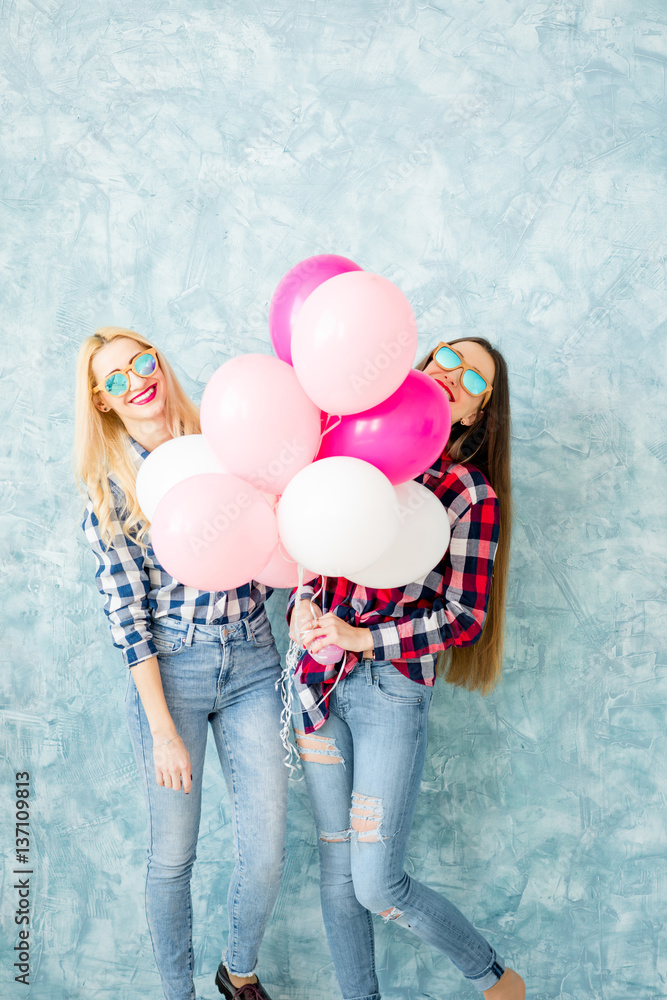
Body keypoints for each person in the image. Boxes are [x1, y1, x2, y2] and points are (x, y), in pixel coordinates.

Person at [288, 338, 525, 1000]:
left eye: (471, 377)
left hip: (391, 694)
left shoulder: (467, 492)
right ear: (416, 373)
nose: (451, 377)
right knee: (337, 870)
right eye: (441, 361)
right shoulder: (351, 449)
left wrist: (362, 640)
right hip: (315, 685)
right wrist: (303, 612)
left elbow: (462, 617)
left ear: (477, 413)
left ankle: (495, 979)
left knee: (374, 882)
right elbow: (306, 548)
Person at [74, 327, 286, 1000]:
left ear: (158, 363)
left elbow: (265, 553)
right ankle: (177, 993)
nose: (136, 377)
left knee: (268, 845)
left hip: (254, 658)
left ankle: (237, 969)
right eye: (115, 378)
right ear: (103, 402)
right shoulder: (111, 483)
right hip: (173, 674)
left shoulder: (223, 445)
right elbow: (128, 622)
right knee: (173, 855)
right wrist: (162, 728)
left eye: (141, 360)